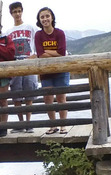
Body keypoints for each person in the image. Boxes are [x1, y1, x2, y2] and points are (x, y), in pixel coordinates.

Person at [35, 7, 70, 135]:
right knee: (48, 99)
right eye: (42, 17)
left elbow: (62, 53)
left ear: (52, 17)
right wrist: (56, 54)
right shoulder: (38, 35)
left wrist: (47, 52)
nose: (45, 19)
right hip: (45, 72)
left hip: (61, 70)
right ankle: (53, 125)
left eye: (47, 16)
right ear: (39, 20)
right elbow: (39, 54)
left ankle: (63, 125)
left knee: (61, 98)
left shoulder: (59, 33)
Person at [6, 1, 38, 134]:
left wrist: (34, 56)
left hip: (29, 64)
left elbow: (36, 46)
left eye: (19, 11)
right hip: (15, 65)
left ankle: (28, 123)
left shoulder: (30, 27)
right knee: (17, 94)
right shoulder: (8, 31)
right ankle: (20, 123)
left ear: (22, 11)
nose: (17, 14)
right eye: (14, 12)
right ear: (11, 14)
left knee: (29, 93)